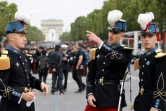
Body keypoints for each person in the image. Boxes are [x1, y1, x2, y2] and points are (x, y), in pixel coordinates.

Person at [85, 10, 133, 111]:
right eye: (110, 31)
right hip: (96, 97)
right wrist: (89, 93)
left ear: (122, 36)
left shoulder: (124, 52)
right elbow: (91, 74)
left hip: (112, 98)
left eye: (115, 32)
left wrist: (99, 41)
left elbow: (116, 57)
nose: (111, 34)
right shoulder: (98, 51)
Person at [0, 11, 48, 111]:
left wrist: (40, 84)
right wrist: (20, 95)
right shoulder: (4, 58)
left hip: (28, 105)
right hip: (12, 107)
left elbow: (27, 77)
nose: (25, 39)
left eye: (25, 36)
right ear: (11, 37)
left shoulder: (23, 56)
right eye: (21, 36)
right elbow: (1, 86)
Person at [134, 12, 166, 111]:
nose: (146, 39)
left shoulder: (159, 57)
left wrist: (156, 106)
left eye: (150, 36)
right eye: (144, 37)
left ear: (155, 38)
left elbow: (161, 86)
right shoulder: (143, 56)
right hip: (142, 102)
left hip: (153, 105)